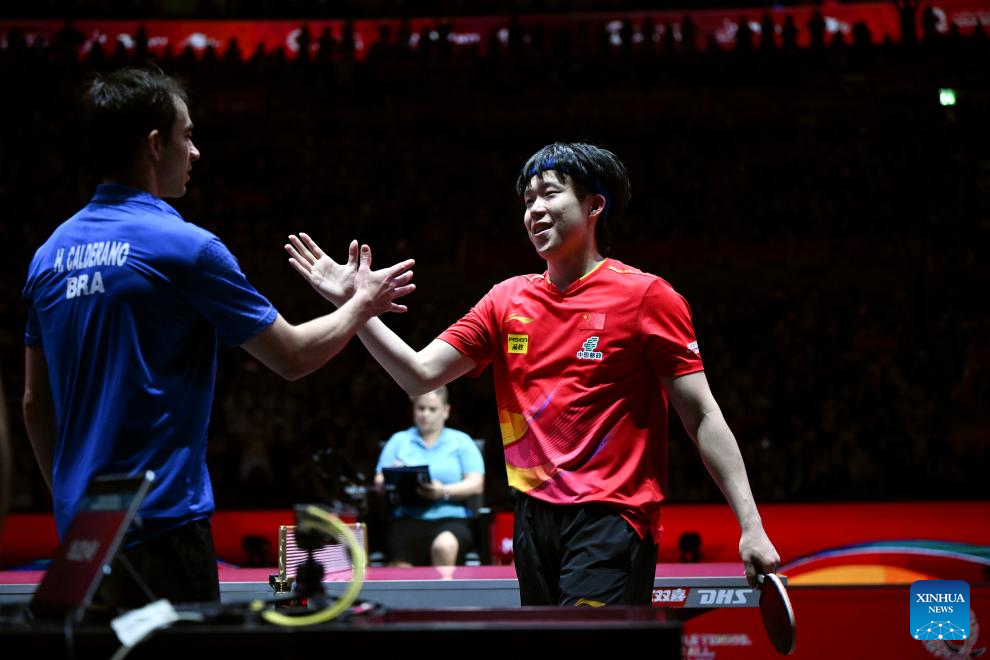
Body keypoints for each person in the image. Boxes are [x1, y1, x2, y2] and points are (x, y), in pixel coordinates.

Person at [285, 142, 779, 606]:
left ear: (594, 205)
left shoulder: (647, 297)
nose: (534, 210)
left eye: (550, 194)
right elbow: (419, 374)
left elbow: (701, 415)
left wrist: (751, 524)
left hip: (611, 517)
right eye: (527, 200)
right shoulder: (506, 300)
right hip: (532, 518)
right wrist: (354, 307)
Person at [21, 67, 414, 606]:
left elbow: (35, 403)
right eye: (186, 136)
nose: (196, 151)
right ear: (155, 145)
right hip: (163, 530)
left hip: (81, 540)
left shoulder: (47, 257)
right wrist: (361, 302)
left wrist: (72, 503)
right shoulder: (185, 248)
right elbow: (293, 356)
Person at [374, 386, 484, 567]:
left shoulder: (461, 441)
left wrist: (443, 491)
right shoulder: (399, 440)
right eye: (421, 408)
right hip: (406, 518)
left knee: (445, 546)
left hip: (450, 519)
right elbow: (379, 483)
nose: (425, 414)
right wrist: (394, 475)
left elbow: (476, 483)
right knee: (399, 549)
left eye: (432, 409)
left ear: (445, 411)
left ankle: (446, 585)